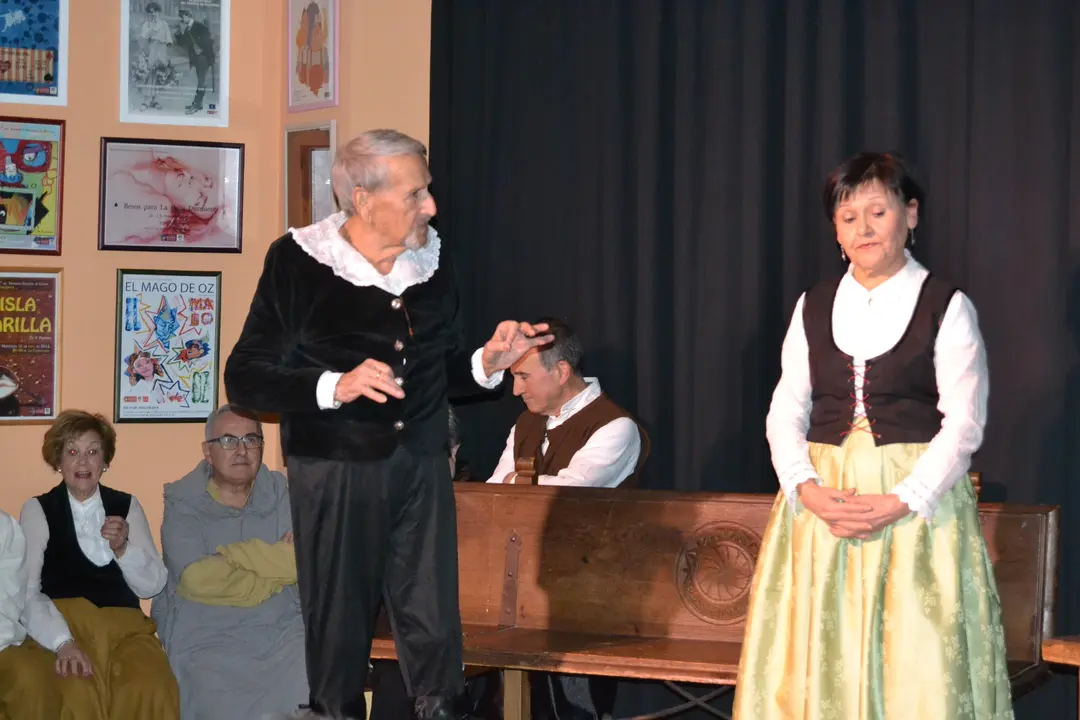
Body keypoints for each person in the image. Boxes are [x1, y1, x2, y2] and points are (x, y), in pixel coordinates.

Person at [224, 128, 553, 720]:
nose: (431, 206)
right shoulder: (299, 261)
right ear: (361, 199)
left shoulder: (433, 258)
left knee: (433, 627)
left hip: (422, 464)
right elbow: (246, 377)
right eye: (415, 195)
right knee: (340, 628)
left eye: (427, 191)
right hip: (336, 469)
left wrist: (486, 363)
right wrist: (335, 385)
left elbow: (439, 368)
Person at [732, 153, 1013, 719]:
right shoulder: (812, 306)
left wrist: (901, 500)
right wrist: (805, 489)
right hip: (822, 509)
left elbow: (963, 423)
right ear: (836, 232)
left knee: (917, 667)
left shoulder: (946, 305)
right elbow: (786, 408)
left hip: (913, 510)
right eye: (847, 217)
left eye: (877, 211)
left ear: (910, 215)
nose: (863, 228)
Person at [15, 409, 179, 719]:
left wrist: (123, 549)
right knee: (75, 692)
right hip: (65, 627)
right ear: (58, 460)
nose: (82, 461)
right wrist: (63, 643)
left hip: (127, 632)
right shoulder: (38, 509)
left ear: (105, 461)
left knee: (150, 685)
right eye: (72, 451)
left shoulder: (127, 505)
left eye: (93, 451)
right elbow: (28, 591)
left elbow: (154, 585)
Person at [152, 405, 309, 719]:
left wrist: (229, 556)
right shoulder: (183, 500)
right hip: (207, 632)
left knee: (307, 681)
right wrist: (271, 564)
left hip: (280, 630)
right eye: (228, 440)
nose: (241, 450)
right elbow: (195, 578)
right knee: (213, 695)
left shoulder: (282, 492)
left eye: (252, 440)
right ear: (207, 452)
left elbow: (302, 563)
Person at [487, 317, 646, 488]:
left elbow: (569, 491)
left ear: (562, 372)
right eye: (514, 377)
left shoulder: (615, 425)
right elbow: (494, 490)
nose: (516, 390)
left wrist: (511, 480)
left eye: (524, 377)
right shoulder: (525, 423)